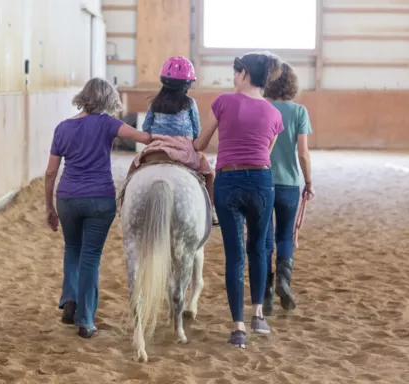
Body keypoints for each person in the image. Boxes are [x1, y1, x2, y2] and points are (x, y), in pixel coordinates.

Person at [44, 78, 152, 339]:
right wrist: (167, 136)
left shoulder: (63, 128)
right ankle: (86, 320)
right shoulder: (107, 123)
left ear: (83, 96)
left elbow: (50, 172)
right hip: (99, 199)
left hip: (67, 198)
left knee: (72, 248)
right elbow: (143, 137)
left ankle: (70, 300)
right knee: (91, 257)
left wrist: (49, 207)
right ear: (108, 100)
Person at [193, 52, 284, 348]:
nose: (233, 79)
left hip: (229, 181)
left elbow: (201, 144)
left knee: (235, 255)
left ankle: (238, 328)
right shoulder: (274, 114)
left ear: (244, 73)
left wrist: (178, 141)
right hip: (261, 182)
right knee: (258, 248)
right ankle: (258, 314)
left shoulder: (222, 102)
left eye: (235, 73)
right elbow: (266, 152)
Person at [126, 56, 218, 226]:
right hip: (183, 148)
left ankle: (123, 202)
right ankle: (212, 211)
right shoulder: (190, 103)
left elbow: (147, 127)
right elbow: (196, 130)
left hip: (157, 147)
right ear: (187, 84)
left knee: (133, 169)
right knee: (209, 173)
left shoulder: (155, 103)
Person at [262, 62, 314, 316]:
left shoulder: (261, 107)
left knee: (264, 238)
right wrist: (309, 181)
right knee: (284, 235)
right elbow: (303, 153)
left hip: (261, 180)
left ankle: (266, 294)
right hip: (290, 182)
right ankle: (284, 280)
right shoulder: (299, 111)